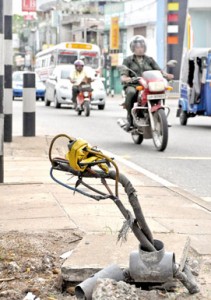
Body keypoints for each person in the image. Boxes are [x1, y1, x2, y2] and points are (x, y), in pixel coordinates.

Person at [120, 35, 174, 131]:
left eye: (142, 47)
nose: (140, 49)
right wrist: (126, 78)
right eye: (137, 47)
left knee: (161, 90)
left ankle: (163, 118)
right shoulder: (128, 60)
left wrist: (167, 75)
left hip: (149, 84)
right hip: (134, 84)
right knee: (131, 92)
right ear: (133, 48)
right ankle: (130, 118)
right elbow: (124, 74)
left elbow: (159, 71)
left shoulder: (150, 59)